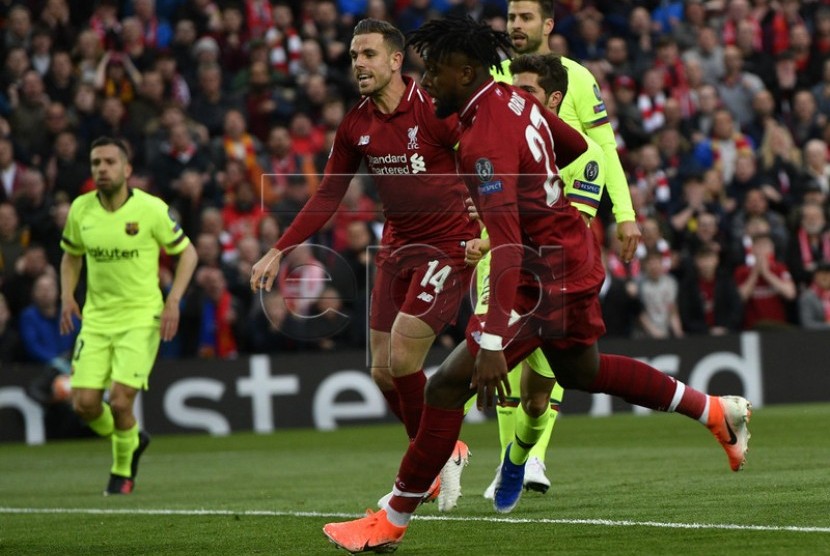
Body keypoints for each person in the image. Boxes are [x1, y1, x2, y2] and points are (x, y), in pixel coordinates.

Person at [322, 18, 752, 553]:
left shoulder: (480, 138)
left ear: (464, 71)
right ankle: (715, 411)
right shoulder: (509, 98)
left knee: (445, 387)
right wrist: (542, 198)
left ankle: (392, 518)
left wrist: (494, 343)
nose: (425, 83)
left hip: (542, 278)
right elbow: (572, 147)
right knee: (583, 370)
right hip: (569, 255)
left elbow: (504, 247)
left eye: (434, 72)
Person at [249, 19, 479, 512]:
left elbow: (481, 156)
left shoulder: (435, 109)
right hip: (398, 244)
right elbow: (329, 193)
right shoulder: (356, 124)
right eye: (354, 55)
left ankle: (426, 466)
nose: (358, 64)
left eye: (368, 54)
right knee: (380, 371)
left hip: (449, 244)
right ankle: (444, 453)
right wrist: (280, 247)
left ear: (396, 60)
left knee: (402, 358)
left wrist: (486, 213)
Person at [464, 53, 607, 498]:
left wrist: (486, 238)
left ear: (555, 99)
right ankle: (438, 459)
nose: (518, 100)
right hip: (502, 267)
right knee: (476, 364)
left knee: (536, 397)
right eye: (514, 91)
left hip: (554, 278)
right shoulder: (505, 138)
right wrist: (480, 239)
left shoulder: (586, 155)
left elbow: (569, 230)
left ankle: (521, 456)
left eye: (528, 93)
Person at [59, 137, 198, 495]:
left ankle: (122, 473)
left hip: (141, 317)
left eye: (109, 162)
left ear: (127, 169)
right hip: (97, 318)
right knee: (85, 405)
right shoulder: (80, 210)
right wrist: (66, 296)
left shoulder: (151, 209)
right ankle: (133, 438)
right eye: (95, 163)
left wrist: (173, 301)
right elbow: (71, 255)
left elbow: (188, 254)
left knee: (120, 400)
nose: (101, 169)